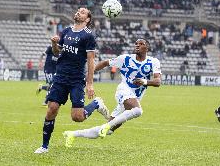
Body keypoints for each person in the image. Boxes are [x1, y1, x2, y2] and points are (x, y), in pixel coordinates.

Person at [34, 8, 110, 154]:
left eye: (82, 12)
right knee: (52, 109)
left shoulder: (89, 36)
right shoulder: (66, 31)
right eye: (78, 11)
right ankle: (44, 146)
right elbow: (57, 53)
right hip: (60, 76)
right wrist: (54, 44)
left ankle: (96, 103)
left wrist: (89, 83)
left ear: (87, 19)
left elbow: (91, 61)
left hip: (76, 79)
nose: (78, 13)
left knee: (77, 117)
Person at [62, 38, 161, 147]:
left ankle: (72, 134)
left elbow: (157, 82)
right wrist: (89, 75)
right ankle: (107, 126)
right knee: (137, 110)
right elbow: (105, 63)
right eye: (136, 44)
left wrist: (145, 81)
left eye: (141, 44)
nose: (137, 45)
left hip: (134, 98)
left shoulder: (153, 61)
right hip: (123, 91)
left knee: (109, 130)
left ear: (147, 47)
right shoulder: (125, 59)